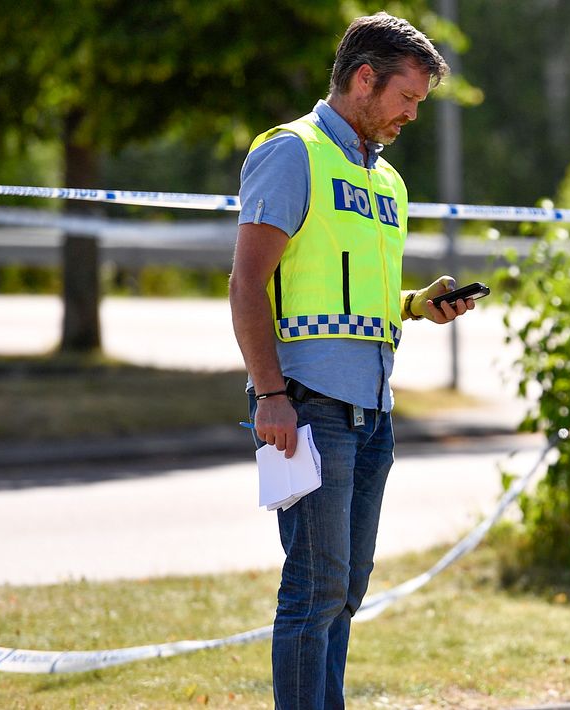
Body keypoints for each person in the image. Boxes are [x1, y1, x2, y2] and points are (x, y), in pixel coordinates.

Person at [228, 13, 475, 707]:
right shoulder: (292, 152)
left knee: (346, 589)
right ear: (364, 79)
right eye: (407, 97)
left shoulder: (386, 181)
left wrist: (414, 305)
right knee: (316, 587)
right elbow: (247, 284)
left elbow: (348, 292)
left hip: (373, 410)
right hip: (306, 404)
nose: (412, 114)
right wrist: (270, 395)